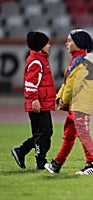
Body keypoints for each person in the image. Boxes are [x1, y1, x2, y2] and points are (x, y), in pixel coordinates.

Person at [44, 29, 93, 175]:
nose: (66, 43)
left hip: (79, 105)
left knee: (83, 133)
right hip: (77, 105)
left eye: (70, 41)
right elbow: (68, 83)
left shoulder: (82, 62)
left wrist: (63, 100)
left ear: (78, 43)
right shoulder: (78, 60)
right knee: (69, 135)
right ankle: (56, 164)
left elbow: (73, 85)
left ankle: (92, 165)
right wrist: (60, 97)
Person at [11, 31, 56, 170]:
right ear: (40, 45)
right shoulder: (36, 61)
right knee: (43, 133)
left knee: (44, 133)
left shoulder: (39, 59)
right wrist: (34, 100)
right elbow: (30, 83)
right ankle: (40, 162)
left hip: (42, 103)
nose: (49, 45)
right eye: (47, 43)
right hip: (38, 104)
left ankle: (22, 151)